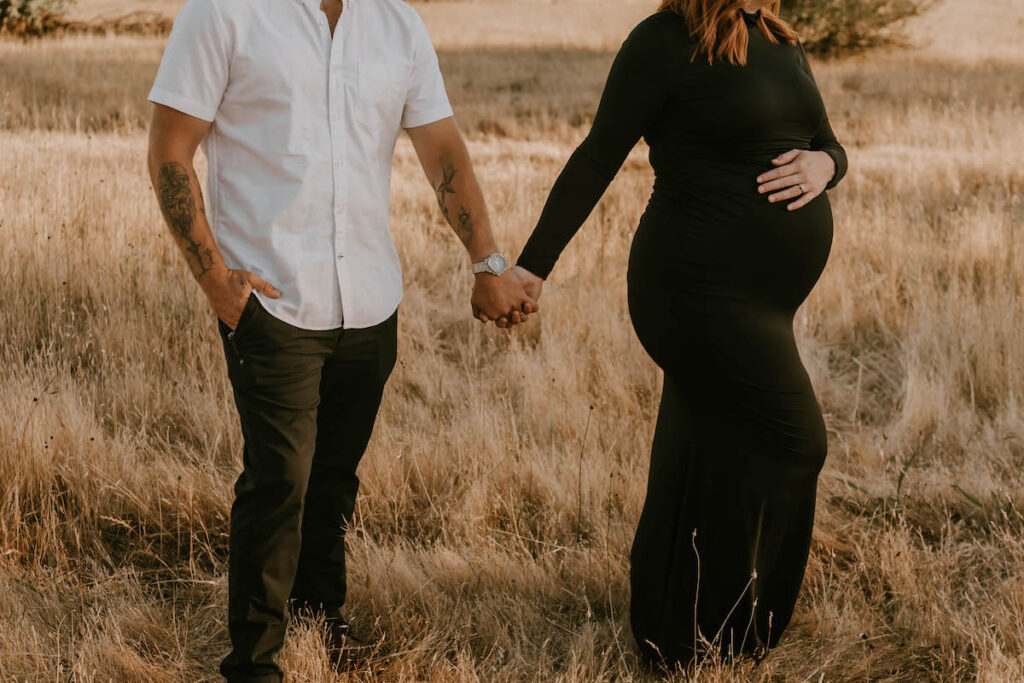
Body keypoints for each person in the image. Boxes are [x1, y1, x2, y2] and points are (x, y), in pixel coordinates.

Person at [145, 0, 535, 679]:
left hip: (369, 304)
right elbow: (170, 151)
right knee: (280, 482)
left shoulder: (397, 24)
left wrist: (487, 262)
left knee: (332, 480)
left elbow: (442, 149)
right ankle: (257, 662)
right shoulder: (224, 12)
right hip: (273, 303)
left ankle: (319, 618)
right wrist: (216, 284)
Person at [509, 0, 848, 667]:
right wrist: (531, 266)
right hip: (694, 292)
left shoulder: (779, 39)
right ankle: (735, 630)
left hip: (764, 300)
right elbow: (598, 155)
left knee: (703, 447)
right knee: (794, 440)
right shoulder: (663, 42)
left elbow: (828, 142)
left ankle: (677, 629)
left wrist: (826, 167)